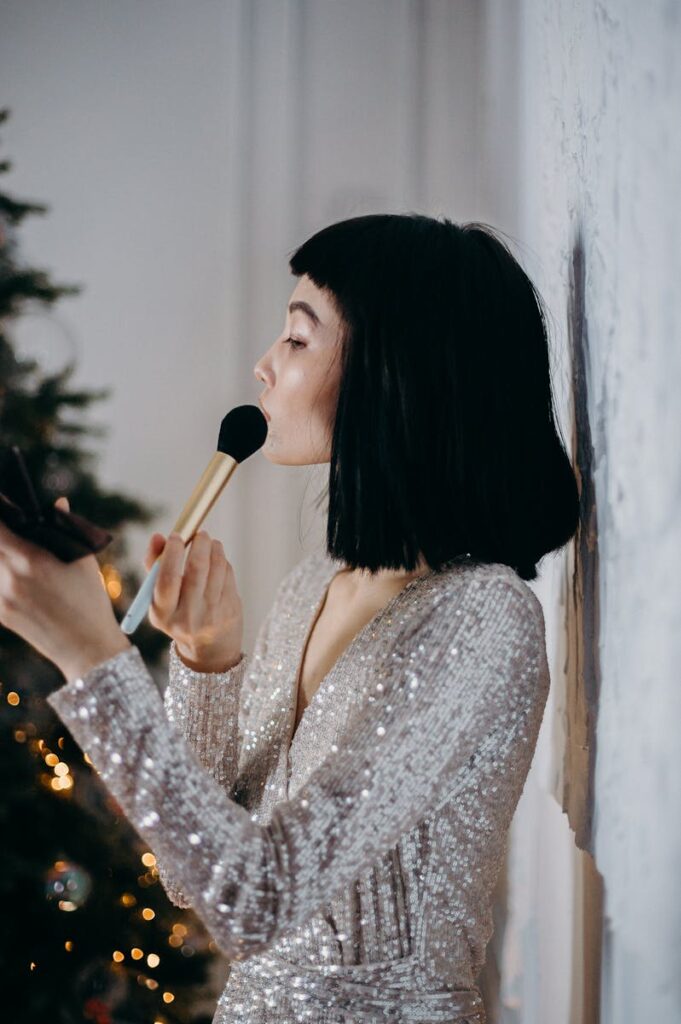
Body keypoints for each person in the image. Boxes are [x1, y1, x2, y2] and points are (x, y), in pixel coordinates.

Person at [4, 213, 579, 1024]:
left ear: (393, 376)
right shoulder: (313, 586)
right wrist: (207, 663)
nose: (264, 365)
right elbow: (195, 872)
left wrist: (90, 654)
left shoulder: (483, 622)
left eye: (299, 340)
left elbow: (256, 901)